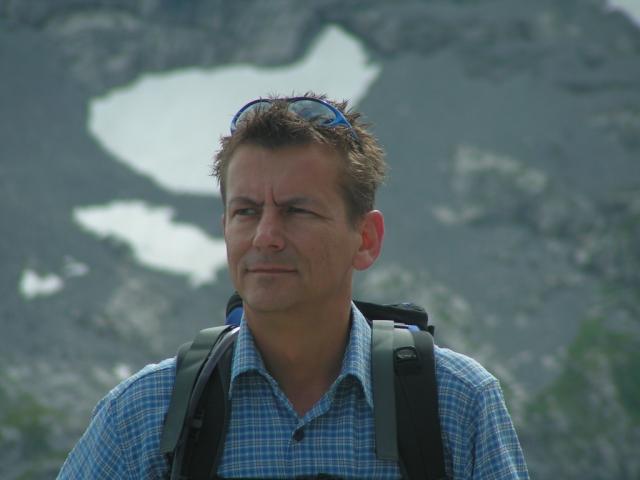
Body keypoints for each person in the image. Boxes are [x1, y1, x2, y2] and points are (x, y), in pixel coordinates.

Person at [58, 94, 529, 479]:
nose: (265, 236)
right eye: (246, 212)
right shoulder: (143, 414)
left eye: (296, 211)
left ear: (366, 239)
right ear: (225, 229)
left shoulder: (457, 403)